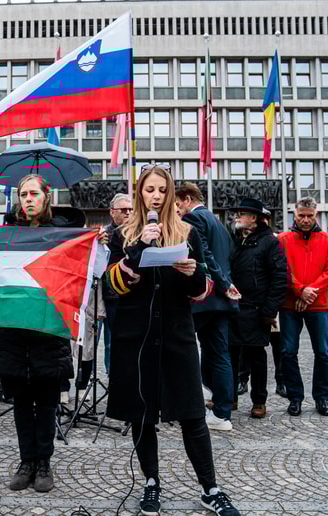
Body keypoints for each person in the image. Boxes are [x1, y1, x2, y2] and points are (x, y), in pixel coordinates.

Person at [106, 165, 240, 516]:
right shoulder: (123, 234)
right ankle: (151, 482)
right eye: (150, 189)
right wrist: (136, 255)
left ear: (170, 195)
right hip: (135, 337)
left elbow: (202, 289)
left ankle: (210, 488)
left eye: (162, 190)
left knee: (192, 414)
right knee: (142, 413)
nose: (156, 196)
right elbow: (111, 286)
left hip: (177, 334)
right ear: (140, 193)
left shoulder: (188, 232)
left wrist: (193, 273)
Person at [0, 174, 81, 492]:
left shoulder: (61, 234)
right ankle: (27, 461)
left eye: (34, 193)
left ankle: (44, 462)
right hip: (13, 331)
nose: (28, 199)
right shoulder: (7, 235)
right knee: (21, 402)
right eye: (23, 194)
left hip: (48, 330)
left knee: (47, 401)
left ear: (46, 197)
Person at [176, 182, 240, 432]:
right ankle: (222, 411)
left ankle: (192, 400)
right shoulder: (218, 222)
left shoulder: (195, 218)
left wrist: (223, 284)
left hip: (206, 296)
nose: (178, 209)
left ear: (188, 198)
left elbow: (206, 257)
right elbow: (225, 257)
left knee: (184, 348)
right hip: (221, 300)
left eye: (179, 203)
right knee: (219, 353)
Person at [227, 199, 287, 419]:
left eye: (241, 214)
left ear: (254, 218)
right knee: (230, 355)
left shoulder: (269, 242)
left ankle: (259, 401)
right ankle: (229, 397)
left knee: (256, 357)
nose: (236, 217)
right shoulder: (234, 240)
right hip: (232, 307)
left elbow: (280, 277)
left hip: (256, 309)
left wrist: (269, 310)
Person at [278, 197, 328, 417]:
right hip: (290, 303)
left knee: (323, 353)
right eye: (301, 215)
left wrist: (309, 292)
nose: (305, 220)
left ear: (316, 215)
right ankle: (295, 397)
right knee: (288, 351)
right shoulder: (283, 239)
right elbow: (281, 269)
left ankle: (322, 398)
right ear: (294, 214)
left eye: (309, 216)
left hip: (318, 303)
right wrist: (300, 289)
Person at [100, 193, 132, 376]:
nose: (128, 213)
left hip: (132, 295)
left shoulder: (138, 232)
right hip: (111, 296)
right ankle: (113, 378)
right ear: (113, 212)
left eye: (130, 209)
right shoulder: (105, 234)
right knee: (111, 341)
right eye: (123, 210)